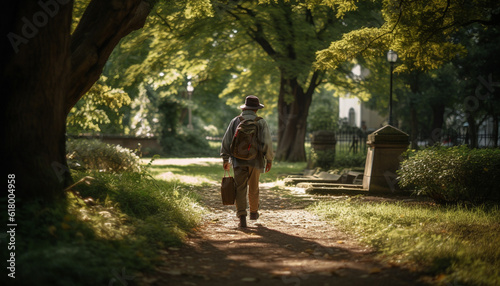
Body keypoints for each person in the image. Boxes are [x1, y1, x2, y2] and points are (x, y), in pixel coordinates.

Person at [220, 95, 274, 228]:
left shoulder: (235, 121)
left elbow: (226, 140)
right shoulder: (261, 122)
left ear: (244, 108)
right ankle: (254, 212)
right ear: (256, 109)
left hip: (238, 161)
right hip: (256, 161)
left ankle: (242, 216)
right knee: (254, 187)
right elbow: (267, 142)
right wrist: (269, 159)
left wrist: (226, 159)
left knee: (240, 188)